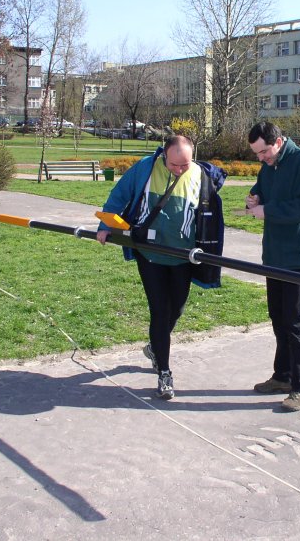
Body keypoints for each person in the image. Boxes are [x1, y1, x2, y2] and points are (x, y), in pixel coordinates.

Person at [96, 135, 225, 400]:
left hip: (183, 256)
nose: (179, 169)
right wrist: (105, 225)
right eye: (174, 164)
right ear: (165, 155)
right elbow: (119, 194)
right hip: (150, 254)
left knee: (176, 309)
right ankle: (164, 372)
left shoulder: (201, 175)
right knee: (160, 310)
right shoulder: (145, 168)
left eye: (185, 164)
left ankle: (156, 346)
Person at [246, 122, 300, 412]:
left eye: (264, 152)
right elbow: (262, 189)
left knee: (294, 321)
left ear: (279, 142)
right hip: (274, 253)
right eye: (257, 154)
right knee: (277, 316)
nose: (261, 158)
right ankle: (282, 376)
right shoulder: (269, 164)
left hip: (297, 254)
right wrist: (255, 198)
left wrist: (266, 210)